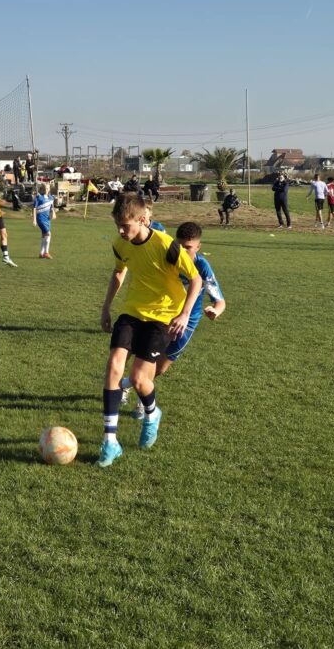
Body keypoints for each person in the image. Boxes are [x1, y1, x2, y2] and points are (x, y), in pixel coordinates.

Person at [98, 193, 202, 467]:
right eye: (117, 225)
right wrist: (106, 307)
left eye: (126, 225)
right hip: (132, 311)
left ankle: (152, 414)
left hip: (163, 317)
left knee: (140, 379)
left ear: (143, 219)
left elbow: (196, 280)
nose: (121, 231)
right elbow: (119, 272)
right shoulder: (120, 243)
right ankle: (110, 442)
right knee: (114, 366)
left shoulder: (166, 245)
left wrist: (184, 314)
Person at [118, 221, 225, 417]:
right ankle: (142, 402)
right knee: (140, 358)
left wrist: (214, 311)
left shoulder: (201, 266)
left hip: (185, 325)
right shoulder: (168, 257)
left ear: (198, 246)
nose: (183, 251)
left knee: (159, 368)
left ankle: (126, 385)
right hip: (158, 317)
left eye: (189, 248)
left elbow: (220, 301)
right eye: (180, 246)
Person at [33, 182, 57, 259]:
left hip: (47, 219)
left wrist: (53, 213)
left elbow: (51, 208)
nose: (47, 189)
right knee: (48, 234)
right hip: (40, 219)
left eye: (48, 188)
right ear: (42, 189)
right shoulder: (39, 197)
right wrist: (34, 219)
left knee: (44, 235)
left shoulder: (51, 198)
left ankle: (41, 253)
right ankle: (46, 252)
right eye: (45, 188)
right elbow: (34, 208)